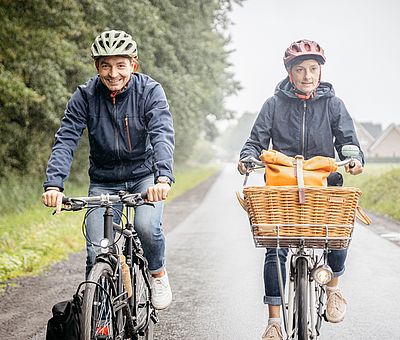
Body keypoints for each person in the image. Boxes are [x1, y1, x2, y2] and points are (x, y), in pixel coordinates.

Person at [237, 39, 364, 339]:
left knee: (337, 232)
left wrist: (353, 158)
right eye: (300, 69)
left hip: (323, 183)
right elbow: (255, 142)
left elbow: (348, 142)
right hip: (282, 185)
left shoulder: (333, 104)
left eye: (313, 69)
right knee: (275, 247)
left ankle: (333, 289)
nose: (307, 75)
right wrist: (248, 158)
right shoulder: (274, 104)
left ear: (320, 72)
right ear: (289, 73)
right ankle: (274, 322)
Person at [42, 30, 174, 310]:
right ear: (97, 67)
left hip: (144, 176)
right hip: (104, 180)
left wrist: (162, 177)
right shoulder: (85, 96)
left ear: (133, 65)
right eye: (105, 65)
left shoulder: (150, 91)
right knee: (96, 250)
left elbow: (162, 133)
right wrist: (54, 184)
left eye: (120, 65)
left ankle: (158, 273)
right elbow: (66, 138)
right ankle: (99, 318)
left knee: (145, 227)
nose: (113, 73)